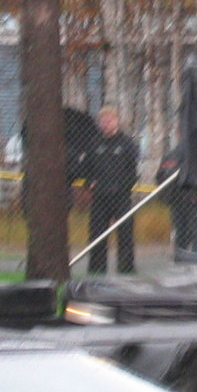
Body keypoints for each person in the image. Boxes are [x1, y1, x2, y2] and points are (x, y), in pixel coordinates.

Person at [83, 105, 139, 274]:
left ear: (116, 121)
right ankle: (97, 270)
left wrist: (123, 187)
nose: (106, 124)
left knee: (125, 235)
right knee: (97, 236)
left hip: (121, 197)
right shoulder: (94, 144)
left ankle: (126, 269)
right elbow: (86, 168)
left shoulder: (127, 144)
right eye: (103, 121)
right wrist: (90, 183)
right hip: (100, 198)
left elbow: (133, 172)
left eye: (109, 120)